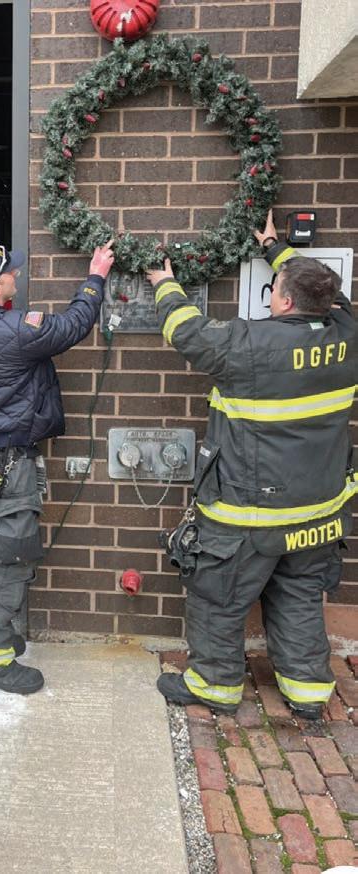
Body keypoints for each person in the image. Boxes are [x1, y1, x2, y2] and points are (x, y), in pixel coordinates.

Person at [146, 210, 356, 718]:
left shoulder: (247, 346)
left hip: (248, 515)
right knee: (299, 596)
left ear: (282, 301)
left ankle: (214, 687)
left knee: (218, 597)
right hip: (318, 511)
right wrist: (275, 249)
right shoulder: (348, 334)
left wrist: (163, 283)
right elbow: (332, 295)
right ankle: (308, 694)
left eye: (276, 288)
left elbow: (185, 330)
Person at [0, 240, 114, 695]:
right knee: (6, 556)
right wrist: (95, 277)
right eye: (9, 272)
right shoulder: (15, 330)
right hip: (4, 462)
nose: (16, 274)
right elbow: (73, 325)